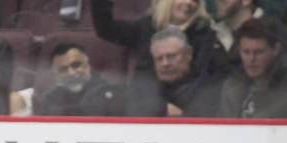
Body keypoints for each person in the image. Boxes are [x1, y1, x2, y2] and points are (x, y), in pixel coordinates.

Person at [91, 0, 228, 84]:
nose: (189, 2)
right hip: (144, 107)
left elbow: (203, 80)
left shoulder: (204, 34)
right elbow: (105, 29)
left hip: (186, 112)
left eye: (195, 0)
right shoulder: (146, 27)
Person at [126, 27, 224, 117]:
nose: (165, 63)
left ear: (188, 54)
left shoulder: (209, 88)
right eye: (159, 58)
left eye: (171, 56)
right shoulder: (143, 92)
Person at [218, 17, 287, 117]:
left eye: (259, 52)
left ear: (275, 49)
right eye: (246, 52)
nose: (251, 59)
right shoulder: (232, 86)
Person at [36, 43, 126, 116]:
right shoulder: (50, 99)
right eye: (62, 70)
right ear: (55, 74)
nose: (71, 73)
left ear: (88, 66)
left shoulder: (109, 93)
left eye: (76, 65)